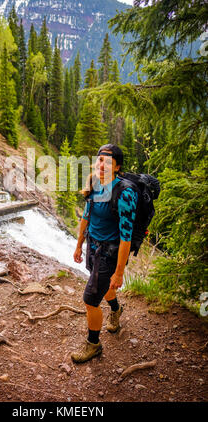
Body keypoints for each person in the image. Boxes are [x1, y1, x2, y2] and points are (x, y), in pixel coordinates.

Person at [71, 143, 138, 363]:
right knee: (104, 287)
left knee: (90, 300)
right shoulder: (95, 183)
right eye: (100, 159)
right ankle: (116, 310)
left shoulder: (124, 193)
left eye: (108, 162)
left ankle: (94, 345)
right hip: (93, 246)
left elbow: (126, 237)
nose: (102, 165)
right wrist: (79, 244)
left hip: (110, 253)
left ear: (117, 167)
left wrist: (119, 273)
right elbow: (86, 216)